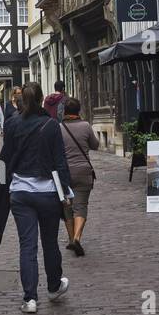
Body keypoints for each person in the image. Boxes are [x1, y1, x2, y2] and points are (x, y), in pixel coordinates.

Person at [0, 82, 74, 313]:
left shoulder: (11, 124)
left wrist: (1, 185)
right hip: (47, 193)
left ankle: (30, 299)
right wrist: (66, 191)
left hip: (20, 192)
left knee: (27, 246)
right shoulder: (51, 126)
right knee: (50, 242)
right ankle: (53, 286)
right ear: (41, 99)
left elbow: (4, 157)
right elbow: (60, 161)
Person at [58, 98, 98, 257]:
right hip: (83, 171)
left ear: (65, 112)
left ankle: (70, 239)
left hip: (65, 173)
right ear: (78, 110)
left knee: (67, 208)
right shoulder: (86, 126)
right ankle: (76, 238)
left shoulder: (59, 128)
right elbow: (95, 145)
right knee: (81, 206)